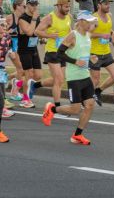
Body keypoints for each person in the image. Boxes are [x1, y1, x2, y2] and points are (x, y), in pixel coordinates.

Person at [41, 10, 99, 145]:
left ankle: (77, 135)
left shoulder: (88, 35)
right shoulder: (73, 36)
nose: (91, 24)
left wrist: (90, 58)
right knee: (75, 109)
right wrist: (75, 61)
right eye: (89, 22)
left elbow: (81, 52)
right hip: (74, 78)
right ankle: (52, 109)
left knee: (90, 105)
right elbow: (59, 53)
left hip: (85, 76)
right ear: (82, 21)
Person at [31, 0, 72, 110]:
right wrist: (49, 35)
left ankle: (35, 85)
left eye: (69, 7)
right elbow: (37, 31)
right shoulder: (50, 18)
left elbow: (69, 31)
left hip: (63, 52)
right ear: (58, 6)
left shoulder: (69, 17)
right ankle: (57, 108)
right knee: (59, 80)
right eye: (66, 7)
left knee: (58, 79)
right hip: (52, 51)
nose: (68, 9)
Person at [90, 0, 114, 106]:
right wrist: (101, 35)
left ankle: (98, 91)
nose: (108, 6)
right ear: (99, 5)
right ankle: (86, 100)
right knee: (95, 80)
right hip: (94, 54)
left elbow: (108, 28)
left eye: (109, 3)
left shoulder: (109, 16)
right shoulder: (94, 19)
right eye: (105, 4)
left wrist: (112, 33)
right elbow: (87, 34)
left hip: (106, 52)